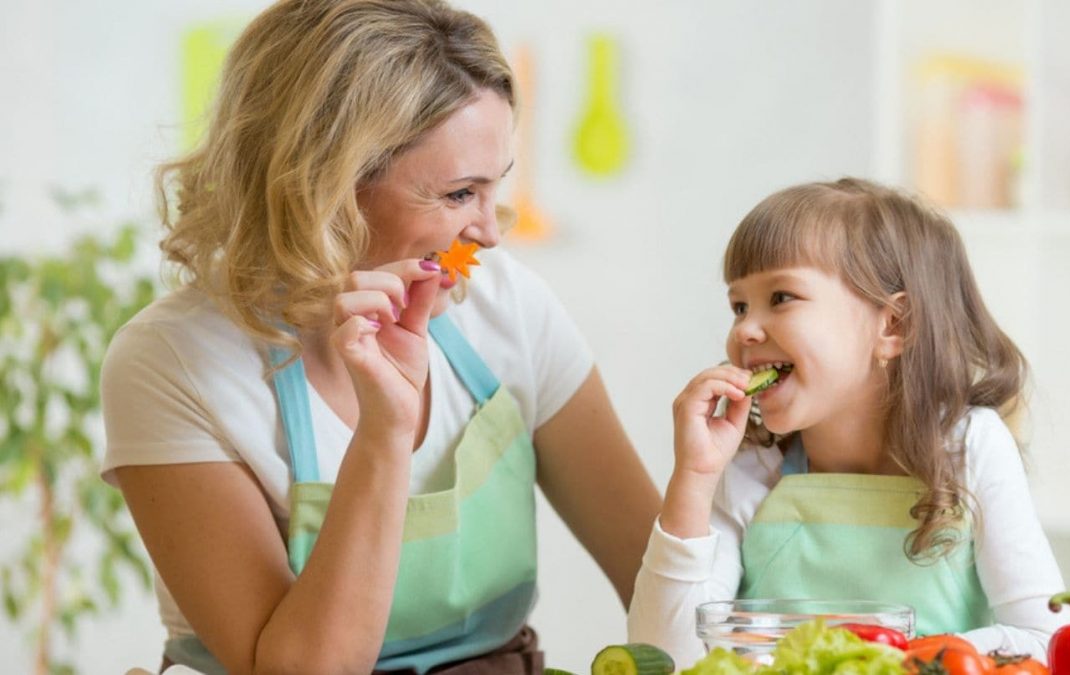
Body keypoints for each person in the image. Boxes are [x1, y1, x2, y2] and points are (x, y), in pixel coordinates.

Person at [100, 1, 661, 673]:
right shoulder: (171, 361)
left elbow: (657, 576)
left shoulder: (507, 305)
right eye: (459, 194)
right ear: (325, 188)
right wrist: (383, 433)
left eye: (495, 187)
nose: (491, 229)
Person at [627, 178, 1070, 666]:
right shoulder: (753, 466)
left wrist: (903, 657)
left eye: (781, 297)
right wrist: (693, 478)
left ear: (893, 325)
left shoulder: (970, 447)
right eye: (739, 306)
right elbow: (662, 656)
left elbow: (1047, 641)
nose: (744, 331)